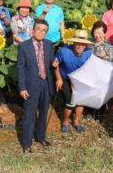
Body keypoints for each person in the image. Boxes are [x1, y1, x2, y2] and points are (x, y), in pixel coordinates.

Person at [17, 19, 55, 153]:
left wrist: (54, 64)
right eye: (38, 29)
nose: (41, 32)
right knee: (29, 114)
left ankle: (41, 137)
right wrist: (22, 87)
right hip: (31, 84)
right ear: (33, 30)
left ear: (46, 33)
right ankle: (27, 143)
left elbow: (51, 62)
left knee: (43, 113)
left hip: (46, 83)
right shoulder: (24, 46)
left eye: (44, 30)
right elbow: (20, 68)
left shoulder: (49, 45)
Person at [54, 29, 93, 133]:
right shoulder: (63, 51)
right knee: (70, 101)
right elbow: (55, 65)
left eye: (83, 44)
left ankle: (76, 121)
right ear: (73, 43)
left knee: (81, 101)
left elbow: (89, 69)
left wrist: (78, 83)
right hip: (65, 78)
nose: (80, 46)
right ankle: (65, 122)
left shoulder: (88, 53)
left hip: (80, 79)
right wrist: (58, 79)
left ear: (86, 45)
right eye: (78, 44)